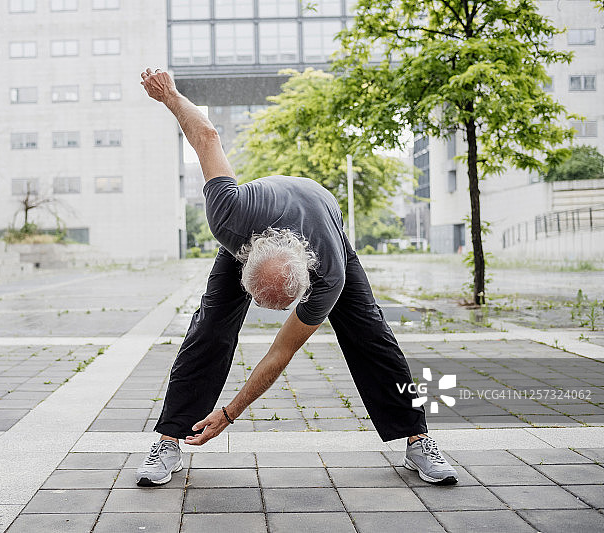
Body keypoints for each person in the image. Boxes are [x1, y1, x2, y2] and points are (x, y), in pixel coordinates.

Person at [135, 68, 458, 487]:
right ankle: (169, 439)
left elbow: (280, 353)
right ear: (244, 263)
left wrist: (230, 413)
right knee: (209, 330)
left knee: (372, 336)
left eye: (287, 306)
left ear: (308, 279)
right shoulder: (229, 217)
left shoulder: (329, 271)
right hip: (262, 226)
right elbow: (207, 136)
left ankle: (418, 440)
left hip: (326, 227)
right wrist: (172, 97)